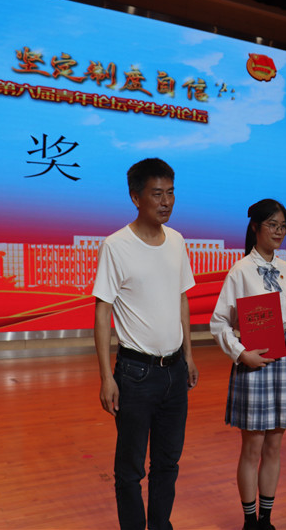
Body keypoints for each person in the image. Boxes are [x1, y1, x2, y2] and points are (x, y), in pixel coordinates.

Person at [92, 157, 199, 530]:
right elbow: (102, 312)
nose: (166, 201)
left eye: (171, 192)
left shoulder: (177, 241)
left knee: (168, 463)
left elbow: (182, 298)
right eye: (157, 193)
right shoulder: (116, 246)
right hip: (135, 374)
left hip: (175, 371)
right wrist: (106, 377)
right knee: (130, 470)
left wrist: (188, 355)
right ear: (135, 197)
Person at [210, 199, 286, 530]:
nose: (279, 232)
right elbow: (219, 323)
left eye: (283, 227)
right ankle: (249, 521)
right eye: (272, 225)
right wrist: (241, 354)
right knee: (252, 449)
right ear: (255, 227)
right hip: (253, 365)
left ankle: (266, 519)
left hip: (284, 364)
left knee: (275, 447)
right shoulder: (240, 271)